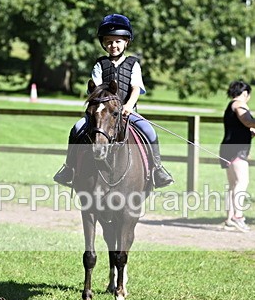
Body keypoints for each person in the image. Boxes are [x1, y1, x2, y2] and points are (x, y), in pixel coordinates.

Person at [53, 14, 173, 188]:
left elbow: (136, 88)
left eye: (117, 41)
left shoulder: (133, 64)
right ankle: (69, 168)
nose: (113, 45)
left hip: (126, 112)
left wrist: (129, 106)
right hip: (103, 114)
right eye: (109, 42)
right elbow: (96, 90)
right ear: (104, 44)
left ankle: (157, 169)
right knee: (77, 128)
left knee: (150, 131)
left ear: (126, 42)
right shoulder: (99, 65)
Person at [218, 80, 255, 232]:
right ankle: (238, 217)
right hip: (237, 150)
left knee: (233, 185)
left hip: (228, 148)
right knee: (242, 182)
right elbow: (247, 122)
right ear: (245, 93)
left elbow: (243, 129)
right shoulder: (239, 105)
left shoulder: (230, 106)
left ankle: (229, 219)